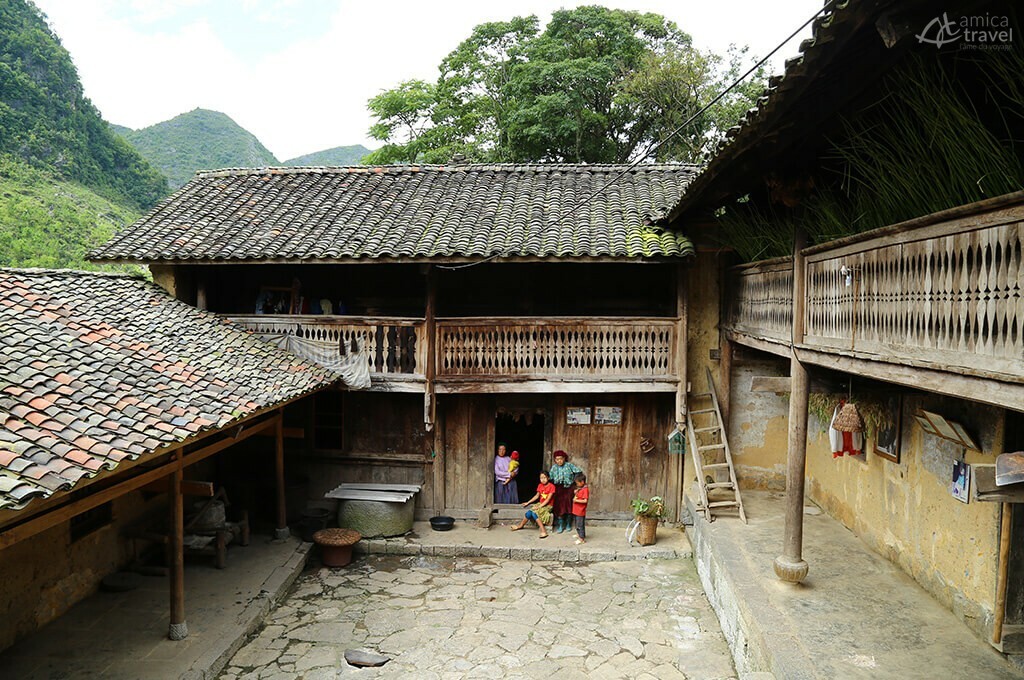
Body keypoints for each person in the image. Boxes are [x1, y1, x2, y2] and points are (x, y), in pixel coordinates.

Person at [510, 471, 555, 538]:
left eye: (544, 478)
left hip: (548, 505)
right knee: (529, 512)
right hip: (540, 504)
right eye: (541, 478)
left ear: (548, 478)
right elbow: (537, 496)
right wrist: (528, 502)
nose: (543, 480)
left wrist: (539, 507)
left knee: (534, 513)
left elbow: (548, 499)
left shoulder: (552, 486)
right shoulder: (540, 485)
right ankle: (521, 525)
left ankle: (543, 531)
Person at [548, 450, 582, 533]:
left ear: (564, 458)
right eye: (557, 459)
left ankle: (568, 524)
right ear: (555, 460)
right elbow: (550, 478)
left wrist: (574, 482)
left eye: (561, 459)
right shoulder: (554, 468)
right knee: (559, 507)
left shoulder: (569, 466)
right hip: (558, 489)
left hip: (568, 489)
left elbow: (578, 472)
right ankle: (560, 525)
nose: (559, 461)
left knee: (568, 506)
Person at [571, 472, 589, 545]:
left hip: (580, 511)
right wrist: (576, 492)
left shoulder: (585, 490)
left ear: (582, 482)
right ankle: (579, 534)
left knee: (580, 525)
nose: (577, 485)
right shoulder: (581, 488)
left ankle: (582, 539)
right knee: (576, 524)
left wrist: (576, 500)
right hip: (576, 510)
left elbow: (585, 500)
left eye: (578, 483)